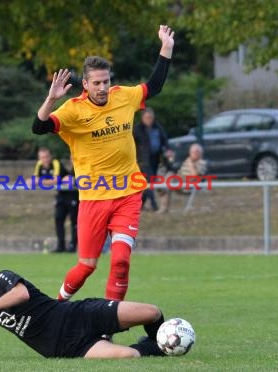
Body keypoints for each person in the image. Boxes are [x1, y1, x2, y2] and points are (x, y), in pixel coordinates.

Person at [31, 25, 175, 301]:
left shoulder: (123, 96)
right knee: (86, 267)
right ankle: (56, 307)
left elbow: (154, 86)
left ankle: (109, 325)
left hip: (128, 193)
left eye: (105, 81)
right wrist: (51, 99)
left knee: (121, 262)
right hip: (94, 198)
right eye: (96, 83)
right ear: (85, 84)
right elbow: (39, 127)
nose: (102, 88)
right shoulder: (73, 110)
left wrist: (166, 48)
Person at [0, 254, 166, 360]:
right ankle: (160, 348)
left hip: (78, 315)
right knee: (129, 356)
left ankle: (163, 338)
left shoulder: (4, 279)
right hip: (68, 349)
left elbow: (21, 294)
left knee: (152, 313)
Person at [31, 147, 78, 253]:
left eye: (47, 156)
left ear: (50, 156)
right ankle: (61, 246)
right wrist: (43, 181)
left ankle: (72, 246)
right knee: (58, 219)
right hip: (61, 195)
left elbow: (56, 180)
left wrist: (41, 181)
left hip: (72, 195)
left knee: (74, 221)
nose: (45, 159)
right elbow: (33, 180)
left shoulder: (56, 163)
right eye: (42, 157)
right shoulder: (39, 165)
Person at [134, 107, 171, 211]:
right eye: (147, 117)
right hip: (143, 160)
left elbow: (164, 140)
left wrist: (168, 149)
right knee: (149, 181)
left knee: (150, 182)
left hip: (156, 159)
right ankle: (154, 205)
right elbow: (131, 143)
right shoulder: (138, 129)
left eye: (151, 117)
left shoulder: (157, 127)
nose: (149, 119)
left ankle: (142, 204)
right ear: (142, 118)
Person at [155, 149, 177, 214]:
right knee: (161, 186)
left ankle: (164, 207)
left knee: (164, 186)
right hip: (166, 173)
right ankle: (164, 207)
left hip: (176, 177)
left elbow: (173, 167)